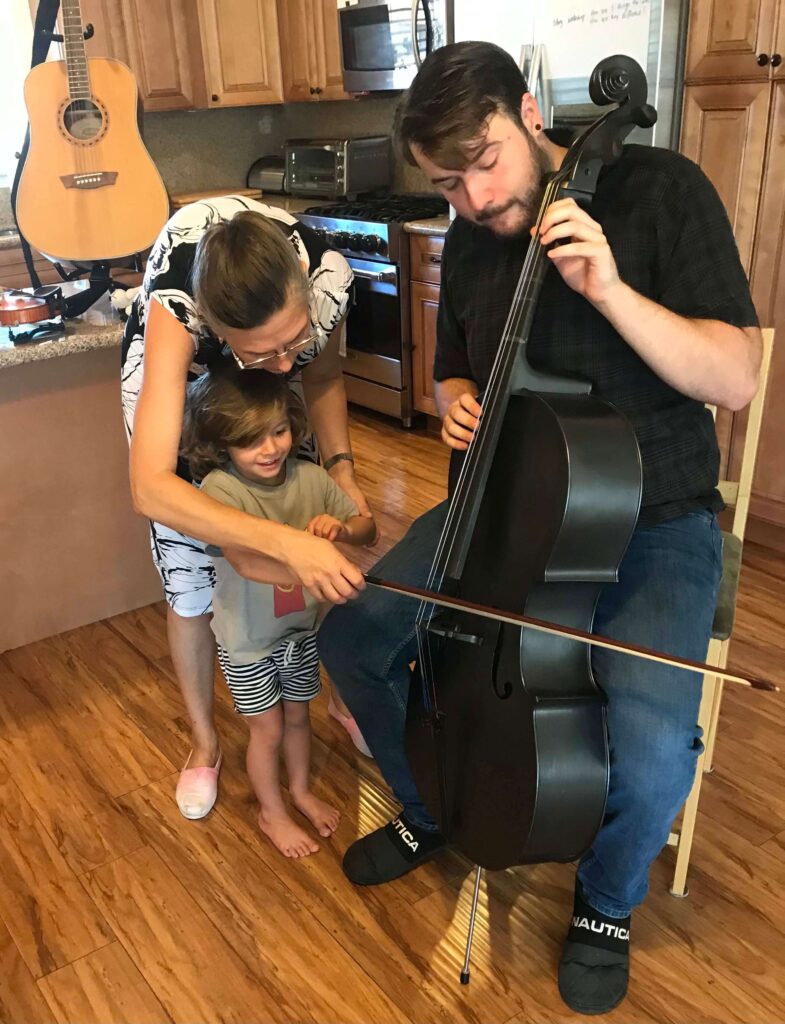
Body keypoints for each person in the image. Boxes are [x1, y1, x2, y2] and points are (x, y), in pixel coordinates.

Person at [318, 42, 762, 1015]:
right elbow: (451, 370)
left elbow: (731, 377)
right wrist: (455, 398)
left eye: (481, 162)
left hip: (651, 514)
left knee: (649, 747)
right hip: (504, 500)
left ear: (527, 112)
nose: (472, 199)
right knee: (353, 634)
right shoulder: (473, 231)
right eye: (446, 182)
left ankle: (604, 901)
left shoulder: (658, 191)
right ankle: (434, 803)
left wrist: (610, 289)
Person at [122, 196, 372, 823]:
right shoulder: (177, 311)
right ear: (215, 326)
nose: (283, 363)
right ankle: (205, 744)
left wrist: (342, 470)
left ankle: (336, 701)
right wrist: (283, 544)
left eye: (293, 341)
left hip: (261, 403)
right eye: (262, 354)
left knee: (313, 549)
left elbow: (320, 379)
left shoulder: (325, 278)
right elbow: (151, 487)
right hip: (177, 402)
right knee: (191, 591)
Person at [179, 363, 376, 856]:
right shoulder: (220, 492)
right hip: (247, 643)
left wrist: (343, 529)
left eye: (279, 431)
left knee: (298, 718)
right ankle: (272, 811)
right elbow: (244, 560)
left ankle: (302, 790)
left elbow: (367, 528)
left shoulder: (311, 478)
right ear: (222, 443)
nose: (270, 449)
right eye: (250, 440)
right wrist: (312, 568)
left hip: (299, 634)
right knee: (265, 730)